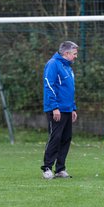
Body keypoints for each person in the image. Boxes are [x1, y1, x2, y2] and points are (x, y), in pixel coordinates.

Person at [41, 41, 78, 179]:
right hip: (56, 109)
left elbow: (70, 89)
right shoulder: (53, 64)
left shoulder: (68, 67)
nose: (76, 56)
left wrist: (73, 107)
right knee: (55, 137)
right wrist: (54, 107)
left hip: (67, 109)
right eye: (74, 54)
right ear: (66, 53)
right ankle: (47, 168)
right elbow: (49, 86)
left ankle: (60, 169)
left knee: (66, 138)